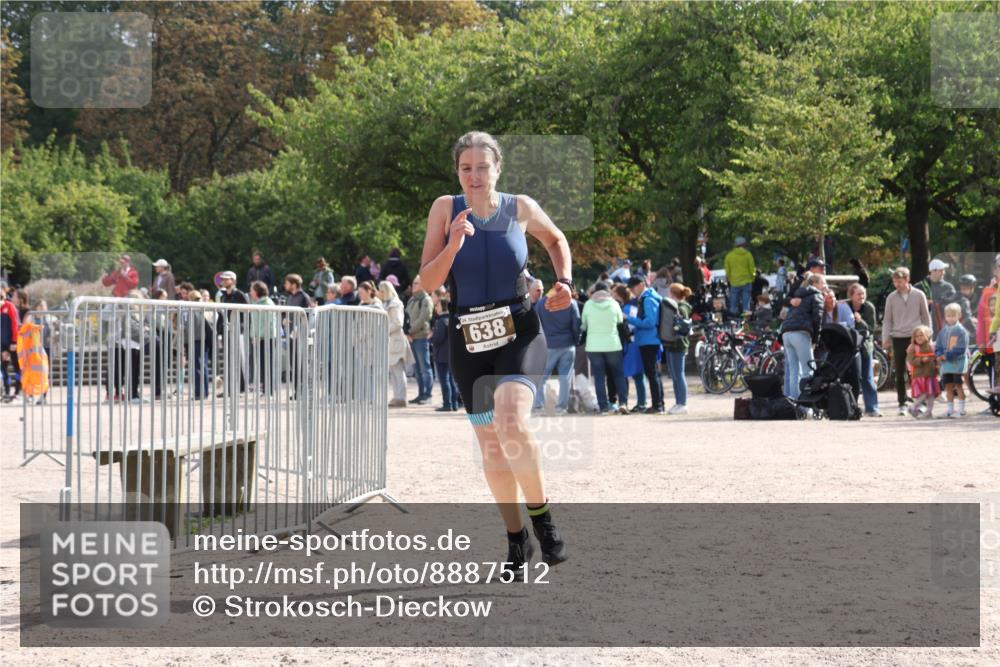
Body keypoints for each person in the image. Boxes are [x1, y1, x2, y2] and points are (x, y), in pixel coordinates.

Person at [417, 131, 571, 574]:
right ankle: (517, 539)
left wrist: (564, 282)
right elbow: (428, 282)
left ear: (498, 168)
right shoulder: (445, 209)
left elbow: (556, 239)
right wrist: (453, 244)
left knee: (511, 419)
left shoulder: (519, 207)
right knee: (491, 445)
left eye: (483, 167)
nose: (475, 176)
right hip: (469, 340)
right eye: (466, 168)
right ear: (457, 172)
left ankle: (544, 523)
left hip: (519, 331)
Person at [882, 267, 931, 415]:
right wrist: (885, 338)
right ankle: (902, 403)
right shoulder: (891, 297)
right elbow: (887, 320)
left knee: (917, 371)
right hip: (898, 337)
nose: (897, 284)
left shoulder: (919, 294)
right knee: (899, 372)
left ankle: (920, 402)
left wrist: (928, 336)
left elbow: (925, 316)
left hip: (916, 337)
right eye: (895, 281)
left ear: (907, 279)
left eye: (900, 281)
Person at [533, 280, 581, 414]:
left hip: (548, 344)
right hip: (568, 344)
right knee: (565, 377)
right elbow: (576, 324)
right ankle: (561, 407)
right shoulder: (571, 303)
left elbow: (537, 325)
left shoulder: (541, 303)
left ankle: (539, 406)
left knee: (542, 377)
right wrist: (576, 340)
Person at [582, 282, 629, 414]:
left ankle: (603, 406)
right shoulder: (614, 304)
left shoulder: (588, 304)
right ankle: (623, 403)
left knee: (599, 377)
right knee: (618, 375)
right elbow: (620, 322)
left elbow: (584, 325)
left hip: (593, 346)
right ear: (608, 291)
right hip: (613, 344)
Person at [781, 272, 825, 401]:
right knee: (809, 370)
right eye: (823, 283)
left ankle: (794, 403)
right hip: (800, 333)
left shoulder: (799, 294)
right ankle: (807, 405)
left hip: (786, 333)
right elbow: (817, 318)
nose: (825, 286)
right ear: (814, 283)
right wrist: (815, 339)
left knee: (794, 371)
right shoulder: (817, 295)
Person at [625, 275, 665, 414]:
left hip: (649, 340)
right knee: (653, 373)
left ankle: (657, 405)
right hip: (649, 340)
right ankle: (658, 404)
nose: (631, 291)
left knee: (652, 373)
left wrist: (630, 319)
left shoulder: (648, 299)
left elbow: (650, 322)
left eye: (633, 287)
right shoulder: (648, 297)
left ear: (642, 284)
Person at [846, 283, 881, 417]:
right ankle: (849, 406)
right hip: (849, 346)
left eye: (863, 294)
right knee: (852, 377)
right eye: (859, 294)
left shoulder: (869, 307)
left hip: (865, 346)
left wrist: (860, 321)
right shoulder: (846, 306)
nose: (862, 296)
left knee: (867, 376)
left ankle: (872, 408)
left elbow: (871, 329)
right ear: (851, 296)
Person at [661, 283, 693, 414]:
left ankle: (683, 403)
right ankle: (678, 402)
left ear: (672, 293)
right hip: (672, 344)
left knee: (679, 375)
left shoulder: (681, 307)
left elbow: (682, 325)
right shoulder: (677, 306)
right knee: (674, 375)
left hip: (679, 345)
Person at [380, 281, 413, 408]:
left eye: (382, 291)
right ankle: (397, 396)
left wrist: (383, 329)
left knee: (398, 370)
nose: (380, 293)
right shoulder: (386, 303)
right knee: (393, 371)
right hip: (391, 340)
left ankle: (401, 397)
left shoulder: (395, 304)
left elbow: (398, 323)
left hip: (396, 340)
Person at [217, 270, 249, 395]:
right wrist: (219, 332)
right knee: (228, 360)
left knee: (239, 359)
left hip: (238, 331)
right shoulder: (223, 296)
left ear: (233, 281)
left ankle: (241, 388)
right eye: (223, 279)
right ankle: (230, 388)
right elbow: (221, 315)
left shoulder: (240, 295)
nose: (224, 281)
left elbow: (247, 314)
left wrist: (243, 329)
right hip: (226, 331)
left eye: (227, 279)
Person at [934, 302, 969, 418]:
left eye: (953, 315)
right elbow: (938, 346)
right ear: (945, 316)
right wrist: (939, 354)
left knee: (958, 386)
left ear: (959, 315)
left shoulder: (962, 331)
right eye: (948, 315)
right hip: (946, 365)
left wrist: (946, 356)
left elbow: (961, 349)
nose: (951, 318)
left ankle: (962, 410)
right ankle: (950, 410)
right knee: (948, 386)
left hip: (958, 364)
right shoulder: (943, 331)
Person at [405, 274, 434, 405]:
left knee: (425, 368)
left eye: (416, 283)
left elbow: (423, 319)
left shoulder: (426, 300)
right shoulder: (412, 299)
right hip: (411, 338)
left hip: (421, 338)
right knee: (417, 369)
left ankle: (428, 395)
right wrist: (406, 332)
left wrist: (410, 331)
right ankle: (421, 394)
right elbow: (406, 317)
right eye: (413, 283)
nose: (413, 285)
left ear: (423, 285)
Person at [283, 274, 312, 398]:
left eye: (287, 283)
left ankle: (303, 390)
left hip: (299, 335)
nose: (285, 285)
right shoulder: (290, 297)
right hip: (290, 335)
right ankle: (297, 391)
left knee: (301, 363)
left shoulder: (304, 297)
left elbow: (307, 315)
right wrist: (284, 320)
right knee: (293, 364)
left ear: (294, 284)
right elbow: (287, 313)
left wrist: (297, 328)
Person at [248, 281, 279, 395]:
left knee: (267, 365)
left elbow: (268, 323)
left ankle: (269, 390)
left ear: (257, 291)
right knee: (262, 365)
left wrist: (258, 336)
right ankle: (265, 389)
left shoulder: (267, 304)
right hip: (259, 338)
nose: (250, 292)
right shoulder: (257, 303)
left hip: (267, 338)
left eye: (252, 290)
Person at [430, 298, 459, 412]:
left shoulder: (441, 321)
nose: (436, 308)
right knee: (451, 380)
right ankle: (454, 404)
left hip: (441, 355)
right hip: (450, 354)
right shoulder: (452, 319)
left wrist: (432, 337)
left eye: (437, 306)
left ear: (442, 306)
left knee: (445, 380)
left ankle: (447, 404)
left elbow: (438, 338)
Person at [907, 325, 941, 418]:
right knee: (925, 393)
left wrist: (938, 365)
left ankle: (929, 412)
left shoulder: (931, 346)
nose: (919, 338)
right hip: (919, 375)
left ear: (927, 336)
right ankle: (914, 406)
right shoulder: (913, 348)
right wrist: (921, 360)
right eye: (917, 336)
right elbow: (911, 360)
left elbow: (936, 358)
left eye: (921, 335)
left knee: (931, 394)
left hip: (931, 375)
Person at [917, 258, 959, 332]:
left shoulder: (948, 287)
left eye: (943, 270)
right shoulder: (919, 287)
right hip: (924, 327)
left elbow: (954, 305)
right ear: (933, 271)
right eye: (941, 270)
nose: (944, 273)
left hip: (944, 326)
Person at [724, 236, 755, 315]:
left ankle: (733, 316)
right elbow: (752, 268)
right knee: (746, 302)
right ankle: (746, 316)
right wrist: (753, 278)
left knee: (733, 301)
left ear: (735, 245)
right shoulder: (748, 254)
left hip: (734, 282)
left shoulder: (729, 255)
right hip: (746, 281)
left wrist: (729, 279)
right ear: (744, 244)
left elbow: (727, 270)